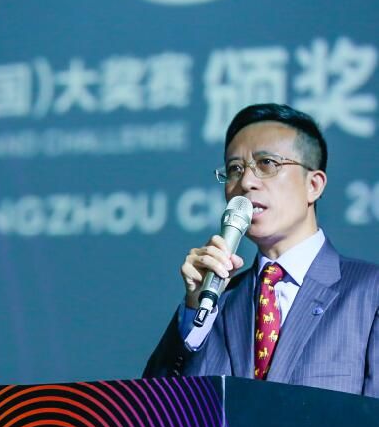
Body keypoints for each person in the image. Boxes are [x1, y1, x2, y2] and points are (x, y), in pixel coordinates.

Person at [143, 103, 378, 398]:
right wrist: (195, 309)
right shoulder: (217, 302)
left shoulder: (369, 292)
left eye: (267, 163)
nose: (246, 182)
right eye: (235, 169)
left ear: (314, 185)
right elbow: (158, 406)